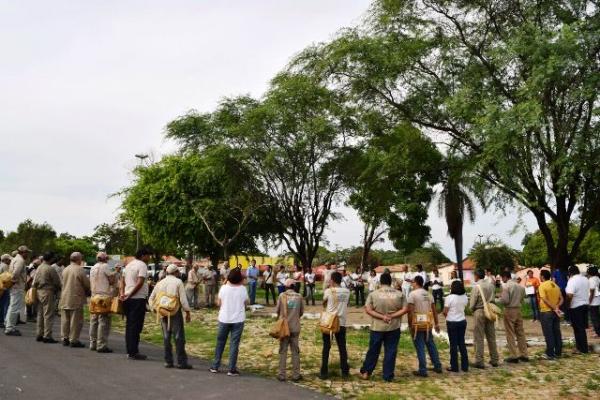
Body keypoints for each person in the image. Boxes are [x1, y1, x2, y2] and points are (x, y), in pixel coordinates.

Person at [359, 272, 407, 382]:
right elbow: (405, 309)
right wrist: (391, 316)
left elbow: (368, 310)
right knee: (391, 351)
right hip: (393, 327)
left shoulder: (373, 294)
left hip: (377, 327)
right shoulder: (399, 294)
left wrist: (382, 317)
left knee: (373, 350)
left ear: (380, 282)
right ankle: (388, 375)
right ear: (391, 281)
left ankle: (366, 372)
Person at [149, 264, 193, 369]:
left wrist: (154, 308)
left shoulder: (160, 283)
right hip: (174, 311)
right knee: (178, 337)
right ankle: (181, 362)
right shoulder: (178, 282)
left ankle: (168, 361)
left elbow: (151, 298)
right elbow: (183, 300)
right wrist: (187, 312)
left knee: (166, 337)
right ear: (176, 272)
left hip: (162, 311)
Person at [210, 268, 248, 376]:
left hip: (224, 318)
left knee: (220, 342)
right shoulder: (242, 289)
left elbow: (219, 303)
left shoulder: (223, 288)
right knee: (234, 344)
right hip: (238, 319)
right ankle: (231, 368)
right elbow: (246, 303)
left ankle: (215, 366)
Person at [120, 247, 152, 360]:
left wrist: (123, 294)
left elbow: (122, 281)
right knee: (136, 326)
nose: (149, 258)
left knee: (130, 325)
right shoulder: (142, 265)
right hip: (137, 299)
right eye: (148, 255)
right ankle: (133, 352)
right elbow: (140, 282)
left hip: (128, 298)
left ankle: (130, 350)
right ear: (143, 255)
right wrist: (131, 294)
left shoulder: (129, 265)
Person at [408, 275, 442, 377]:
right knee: (431, 344)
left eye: (412, 282)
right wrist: (436, 323)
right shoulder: (429, 294)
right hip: (427, 323)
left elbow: (410, 311)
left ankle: (422, 370)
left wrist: (410, 325)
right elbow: (434, 311)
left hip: (417, 324)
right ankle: (437, 365)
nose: (412, 284)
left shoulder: (412, 294)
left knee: (420, 347)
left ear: (416, 282)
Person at [320, 271, 350, 380]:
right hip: (341, 322)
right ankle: (345, 371)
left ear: (332, 280)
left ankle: (323, 372)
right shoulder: (347, 291)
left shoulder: (328, 291)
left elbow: (323, 303)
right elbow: (347, 304)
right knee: (342, 347)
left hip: (329, 322)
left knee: (326, 347)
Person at [469, 269, 499, 368]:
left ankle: (479, 360)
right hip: (490, 311)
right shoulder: (491, 286)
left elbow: (472, 303)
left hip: (479, 311)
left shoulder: (476, 287)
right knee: (491, 336)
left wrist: (471, 309)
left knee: (479, 337)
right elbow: (493, 299)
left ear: (477, 276)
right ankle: (494, 359)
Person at [59, 252, 91, 347]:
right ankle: (74, 340)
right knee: (75, 321)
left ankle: (65, 338)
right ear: (78, 259)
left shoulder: (65, 269)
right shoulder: (79, 270)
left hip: (65, 297)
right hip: (76, 297)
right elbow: (87, 284)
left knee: (65, 320)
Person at [497, 270, 528, 363]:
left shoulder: (507, 286)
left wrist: (499, 299)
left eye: (502, 278)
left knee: (510, 333)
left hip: (509, 309)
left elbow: (505, 300)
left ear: (505, 277)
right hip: (518, 309)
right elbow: (523, 297)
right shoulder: (520, 286)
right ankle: (524, 354)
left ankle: (513, 355)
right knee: (520, 332)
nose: (502, 280)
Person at [277, 278, 304, 382]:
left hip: (284, 328)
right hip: (295, 327)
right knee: (295, 351)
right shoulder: (299, 297)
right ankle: (296, 375)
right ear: (294, 286)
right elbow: (301, 312)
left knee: (283, 351)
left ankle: (282, 374)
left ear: (286, 286)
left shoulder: (282, 296)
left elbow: (277, 311)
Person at [89, 252, 116, 353]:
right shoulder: (106, 266)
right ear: (105, 259)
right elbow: (112, 281)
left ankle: (93, 343)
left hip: (93, 296)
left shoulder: (93, 267)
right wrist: (116, 272)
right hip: (103, 297)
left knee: (94, 320)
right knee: (103, 321)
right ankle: (101, 345)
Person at [33, 252, 62, 343]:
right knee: (48, 314)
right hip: (47, 291)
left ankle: (39, 334)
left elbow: (34, 281)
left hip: (38, 291)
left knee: (40, 314)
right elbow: (57, 282)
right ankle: (47, 336)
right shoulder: (50, 269)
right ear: (51, 259)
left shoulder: (39, 267)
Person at [5, 246, 31, 336]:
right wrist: (13, 282)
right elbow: (16, 273)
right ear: (22, 252)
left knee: (12, 307)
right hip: (17, 286)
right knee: (15, 308)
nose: (27, 254)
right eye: (27, 252)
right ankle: (10, 328)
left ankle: (8, 325)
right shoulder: (20, 260)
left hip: (15, 286)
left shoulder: (15, 258)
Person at [443, 280, 469, 372]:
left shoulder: (449, 298)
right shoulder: (465, 297)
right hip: (462, 320)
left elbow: (445, 311)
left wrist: (447, 316)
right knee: (462, 343)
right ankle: (465, 365)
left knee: (453, 345)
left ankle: (454, 366)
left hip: (452, 322)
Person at [538, 269, 563, 359]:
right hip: (555, 312)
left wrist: (553, 307)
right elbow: (562, 299)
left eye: (540, 275)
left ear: (543, 276)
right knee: (556, 332)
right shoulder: (555, 285)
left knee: (548, 333)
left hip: (546, 311)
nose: (539, 277)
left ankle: (550, 353)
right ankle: (558, 352)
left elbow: (544, 299)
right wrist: (557, 307)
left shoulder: (542, 286)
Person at [565, 265, 589, 354]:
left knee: (578, 328)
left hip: (576, 306)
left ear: (570, 273)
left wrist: (567, 305)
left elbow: (569, 295)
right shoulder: (585, 279)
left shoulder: (572, 280)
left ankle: (582, 349)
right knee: (581, 327)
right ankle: (583, 347)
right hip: (585, 305)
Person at [587, 265, 600, 338]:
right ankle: (596, 330)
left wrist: (589, 302)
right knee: (596, 316)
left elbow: (592, 292)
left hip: (593, 301)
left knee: (594, 317)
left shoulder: (591, 280)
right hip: (597, 300)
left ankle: (597, 332)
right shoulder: (597, 278)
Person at [0, 254, 12, 329]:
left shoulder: (1, 265)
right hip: (3, 287)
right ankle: (2, 321)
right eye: (8, 259)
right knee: (4, 304)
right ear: (5, 260)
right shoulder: (5, 266)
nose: (10, 261)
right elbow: (7, 277)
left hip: (1, 286)